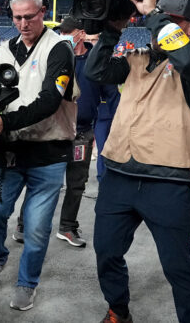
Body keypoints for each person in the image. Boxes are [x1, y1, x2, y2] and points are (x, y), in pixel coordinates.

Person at [85, 0, 190, 322]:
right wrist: (112, 29)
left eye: (173, 21)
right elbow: (95, 70)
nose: (162, 26)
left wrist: (154, 15)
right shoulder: (137, 56)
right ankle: (118, 309)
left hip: (170, 180)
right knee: (106, 251)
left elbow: (187, 60)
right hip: (119, 173)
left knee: (180, 269)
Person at [0, 0, 76, 311]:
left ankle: (27, 282)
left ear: (44, 13)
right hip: (9, 153)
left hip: (48, 153)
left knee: (35, 227)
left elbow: (49, 100)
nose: (22, 23)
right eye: (17, 17)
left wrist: (6, 122)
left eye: (29, 17)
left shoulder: (59, 47)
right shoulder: (3, 49)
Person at [54, 16, 119, 247]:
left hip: (81, 131)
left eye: (68, 33)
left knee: (76, 183)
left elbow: (112, 95)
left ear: (80, 34)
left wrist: (118, 125)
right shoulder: (57, 57)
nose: (64, 37)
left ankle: (67, 226)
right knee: (43, 181)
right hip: (53, 131)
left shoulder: (97, 60)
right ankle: (25, 224)